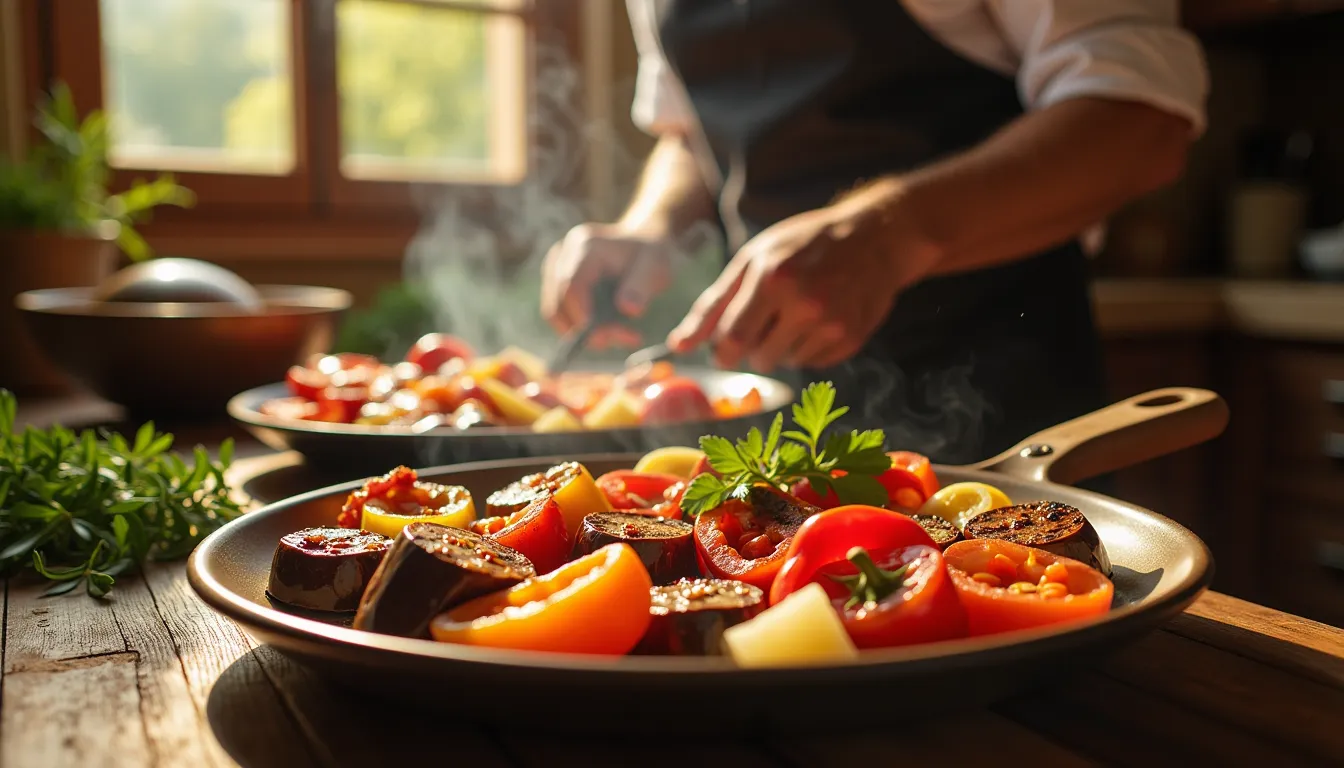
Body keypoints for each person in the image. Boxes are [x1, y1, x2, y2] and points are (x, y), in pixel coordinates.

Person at [541, 0, 1208, 465]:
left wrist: (890, 234)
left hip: (997, 394)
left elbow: (1141, 120)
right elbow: (689, 132)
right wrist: (649, 224)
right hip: (771, 407)